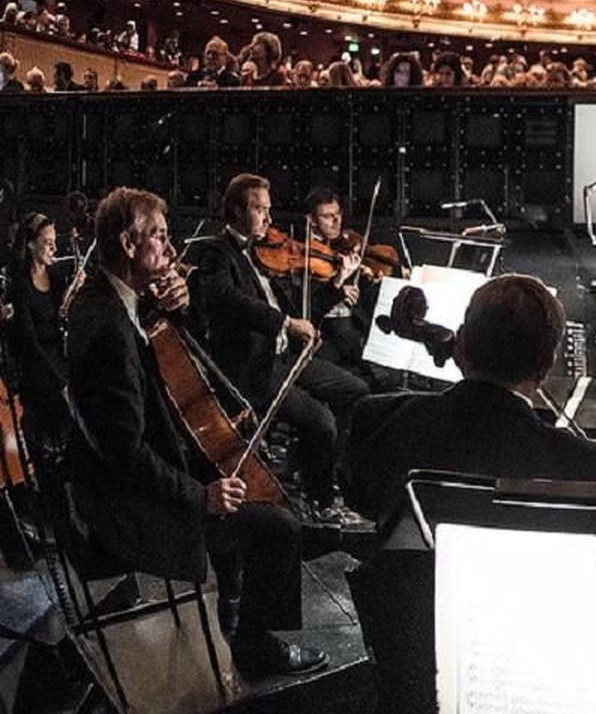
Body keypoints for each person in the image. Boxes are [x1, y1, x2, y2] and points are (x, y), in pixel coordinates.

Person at [66, 187, 325, 679]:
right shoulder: (106, 328)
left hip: (135, 477)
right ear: (128, 244)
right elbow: (125, 453)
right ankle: (255, 649)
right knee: (278, 526)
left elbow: (169, 357)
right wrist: (199, 495)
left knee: (244, 485)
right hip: (129, 509)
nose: (170, 248)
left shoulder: (114, 300)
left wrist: (179, 307)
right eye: (160, 236)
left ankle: (231, 607)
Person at [345, 274, 596, 536]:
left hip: (414, 577)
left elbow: (363, 502)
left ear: (461, 343)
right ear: (546, 364)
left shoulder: (377, 420)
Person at [189, 175, 369, 519]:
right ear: (236, 211)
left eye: (268, 209)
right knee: (322, 421)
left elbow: (299, 313)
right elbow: (225, 297)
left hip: (285, 358)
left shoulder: (259, 255)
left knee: (355, 390)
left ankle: (312, 470)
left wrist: (335, 286)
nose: (269, 219)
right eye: (259, 209)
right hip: (254, 368)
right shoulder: (217, 252)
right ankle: (322, 502)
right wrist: (284, 324)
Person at [7, 212, 68, 445]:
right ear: (32, 245)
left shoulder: (57, 279)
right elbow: (29, 343)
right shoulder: (20, 286)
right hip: (38, 370)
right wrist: (61, 382)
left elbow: (65, 323)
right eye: (48, 243)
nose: (55, 249)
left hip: (59, 360)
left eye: (55, 242)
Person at [305, 187, 371, 378]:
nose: (336, 221)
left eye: (338, 214)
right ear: (312, 220)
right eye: (327, 216)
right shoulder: (301, 252)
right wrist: (339, 285)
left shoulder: (342, 245)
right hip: (324, 331)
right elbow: (309, 305)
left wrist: (368, 276)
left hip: (349, 325)